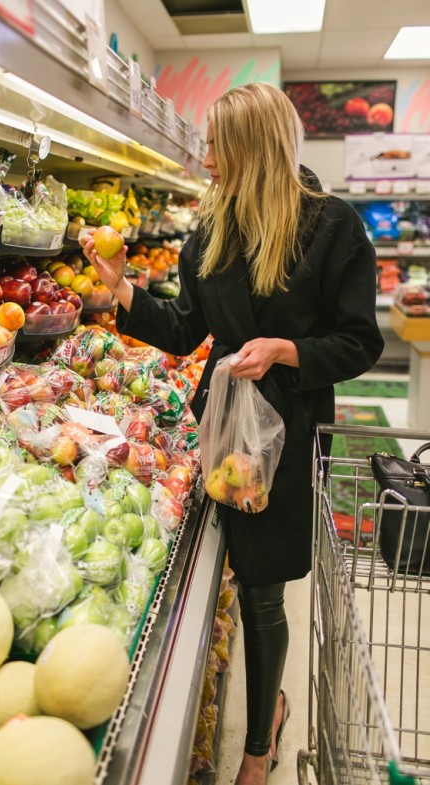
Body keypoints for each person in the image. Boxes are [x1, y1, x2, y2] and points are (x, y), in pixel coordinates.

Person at [81, 82, 383, 785]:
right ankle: (263, 707)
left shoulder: (332, 227)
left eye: (216, 143)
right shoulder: (210, 231)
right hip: (223, 429)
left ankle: (259, 738)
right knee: (241, 568)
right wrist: (125, 293)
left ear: (251, 147)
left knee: (263, 586)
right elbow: (188, 329)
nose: (205, 155)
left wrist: (285, 350)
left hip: (287, 426)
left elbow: (359, 340)